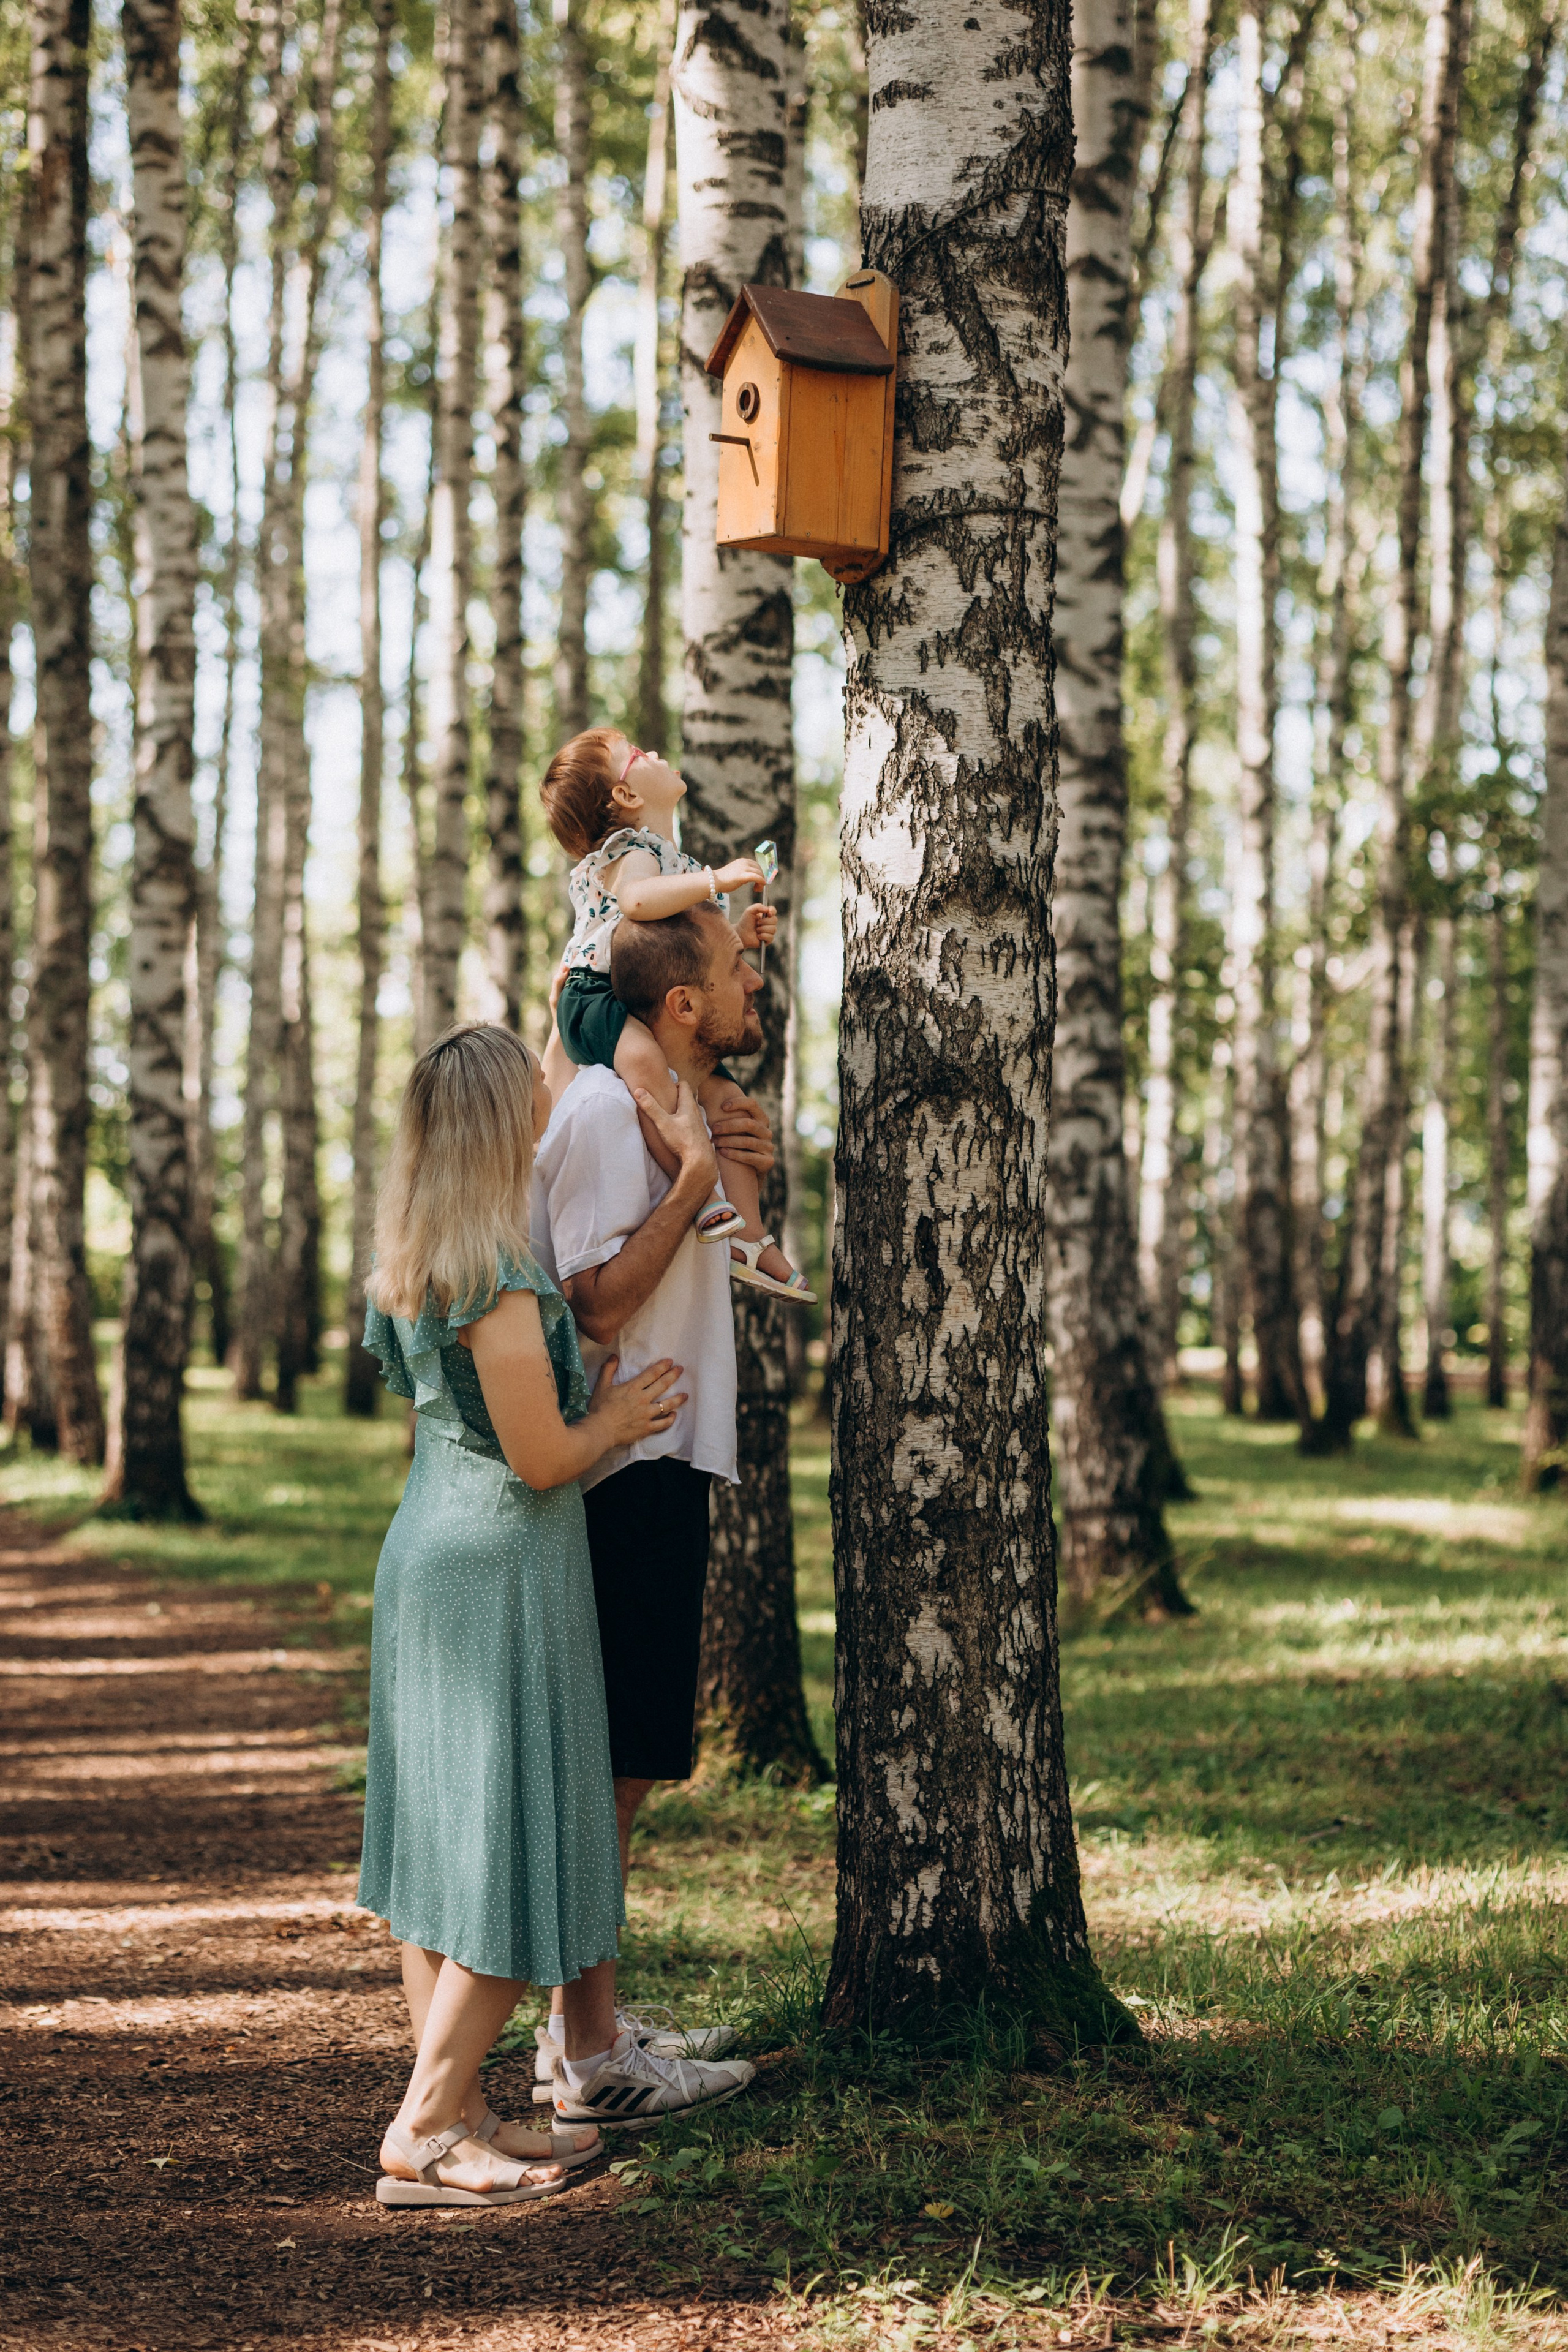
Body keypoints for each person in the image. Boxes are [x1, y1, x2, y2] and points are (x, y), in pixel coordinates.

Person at [357, 1024, 750, 2208]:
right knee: (508, 1847)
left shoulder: (417, 1258)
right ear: (500, 1117)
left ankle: (466, 2107)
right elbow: (540, 1458)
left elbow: (481, 1409)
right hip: (500, 1568)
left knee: (439, 1855)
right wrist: (620, 1423)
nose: (555, 1083)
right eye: (536, 1077)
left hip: (429, 1555)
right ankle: (424, 2131)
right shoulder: (498, 1269)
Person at [529, 901, 774, 2124]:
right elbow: (590, 1304)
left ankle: (585, 2028)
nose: (752, 991)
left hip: (670, 1454)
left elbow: (719, 1263)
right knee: (609, 1772)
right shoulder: (593, 1115)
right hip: (616, 1470)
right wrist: (690, 1184)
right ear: (681, 1003)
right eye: (737, 973)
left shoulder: (675, 1112)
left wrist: (736, 1184)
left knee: (625, 1767)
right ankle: (588, 2065)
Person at [538, 725, 813, 1306]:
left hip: (640, 990)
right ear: (627, 797)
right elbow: (637, 906)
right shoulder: (633, 855)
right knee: (641, 1061)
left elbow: (681, 953)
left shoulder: (671, 860)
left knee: (729, 1103)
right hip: (594, 994)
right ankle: (701, 1184)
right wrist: (717, 880)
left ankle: (752, 1239)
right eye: (640, 754)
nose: (656, 752)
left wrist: (736, 937)